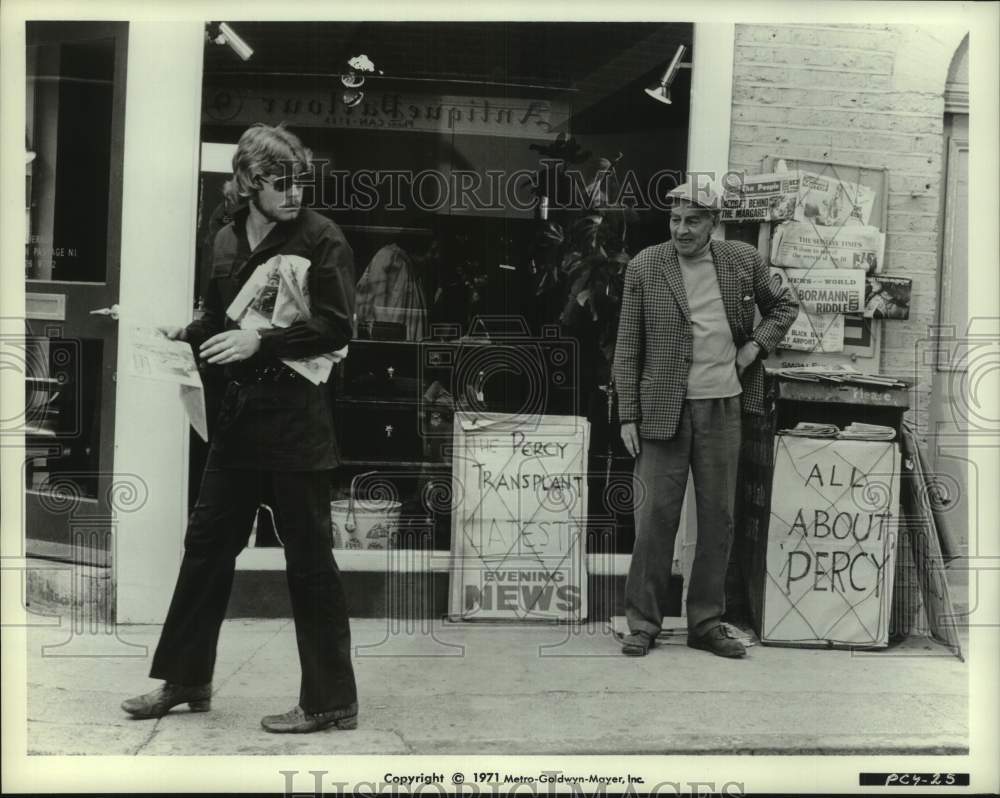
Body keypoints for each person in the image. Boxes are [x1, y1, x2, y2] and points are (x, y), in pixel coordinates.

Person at [121, 123, 359, 733]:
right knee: (205, 549)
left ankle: (331, 700)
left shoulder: (322, 238)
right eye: (282, 183)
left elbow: (337, 326)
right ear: (251, 182)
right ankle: (187, 680)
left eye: (302, 181)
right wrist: (185, 334)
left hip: (297, 426)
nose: (295, 192)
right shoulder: (225, 237)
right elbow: (217, 318)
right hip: (237, 425)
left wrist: (262, 341)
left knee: (309, 562)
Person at [612, 178, 798, 658]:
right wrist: (627, 414)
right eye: (675, 220)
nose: (682, 230)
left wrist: (754, 348)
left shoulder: (741, 261)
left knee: (718, 519)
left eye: (693, 221)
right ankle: (643, 623)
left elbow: (784, 305)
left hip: (723, 406)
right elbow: (627, 345)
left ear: (714, 223)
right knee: (654, 520)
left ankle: (706, 623)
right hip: (661, 409)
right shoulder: (646, 266)